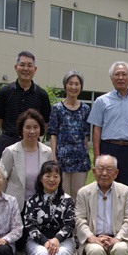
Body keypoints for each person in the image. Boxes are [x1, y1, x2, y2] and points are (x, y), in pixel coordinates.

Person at [19, 161, 76, 255]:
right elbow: (29, 225)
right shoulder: (32, 201)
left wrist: (56, 240)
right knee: (43, 253)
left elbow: (70, 224)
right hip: (37, 240)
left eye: (56, 176)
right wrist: (45, 241)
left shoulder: (68, 201)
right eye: (48, 175)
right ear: (40, 178)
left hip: (64, 240)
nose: (52, 179)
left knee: (60, 253)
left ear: (61, 179)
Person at [88, 61, 128, 188]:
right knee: (105, 186)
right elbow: (96, 130)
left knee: (127, 187)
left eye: (124, 74)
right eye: (117, 74)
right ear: (111, 78)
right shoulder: (101, 101)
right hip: (108, 148)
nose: (120, 78)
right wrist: (97, 156)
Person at [0, 50, 51, 159]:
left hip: (32, 144)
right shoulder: (5, 92)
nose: (26, 69)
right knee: (3, 174)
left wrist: (31, 134)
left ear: (35, 69)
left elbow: (45, 123)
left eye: (30, 65)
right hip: (8, 141)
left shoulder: (42, 95)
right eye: (22, 65)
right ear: (16, 67)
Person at [1, 109, 54, 213]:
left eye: (36, 127)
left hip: (39, 206)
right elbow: (2, 180)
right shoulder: (10, 152)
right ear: (21, 130)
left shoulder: (47, 152)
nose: (32, 131)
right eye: (28, 127)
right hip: (15, 206)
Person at [49, 70, 91, 199]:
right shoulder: (57, 108)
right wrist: (54, 157)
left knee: (78, 195)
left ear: (81, 87)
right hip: (62, 159)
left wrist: (86, 153)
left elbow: (86, 136)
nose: (73, 87)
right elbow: (53, 135)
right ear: (65, 86)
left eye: (77, 84)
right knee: (63, 195)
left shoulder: (85, 109)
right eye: (70, 83)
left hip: (80, 160)